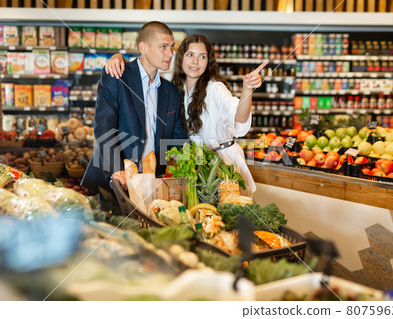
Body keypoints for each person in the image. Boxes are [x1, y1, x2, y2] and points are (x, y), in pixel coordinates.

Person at [105, 34, 265, 193]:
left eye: (202, 57)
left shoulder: (215, 88)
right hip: (191, 163)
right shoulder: (171, 85)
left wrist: (247, 90)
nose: (195, 62)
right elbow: (144, 68)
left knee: (227, 213)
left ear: (208, 61)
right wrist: (118, 58)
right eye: (190, 55)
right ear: (180, 57)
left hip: (222, 162)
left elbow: (239, 118)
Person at [82, 21, 188, 205]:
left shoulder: (170, 91)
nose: (170, 54)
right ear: (143, 47)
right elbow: (104, 127)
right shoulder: (117, 75)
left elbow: (177, 137)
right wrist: (116, 171)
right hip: (118, 183)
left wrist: (183, 169)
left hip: (153, 186)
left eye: (171, 47)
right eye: (163, 47)